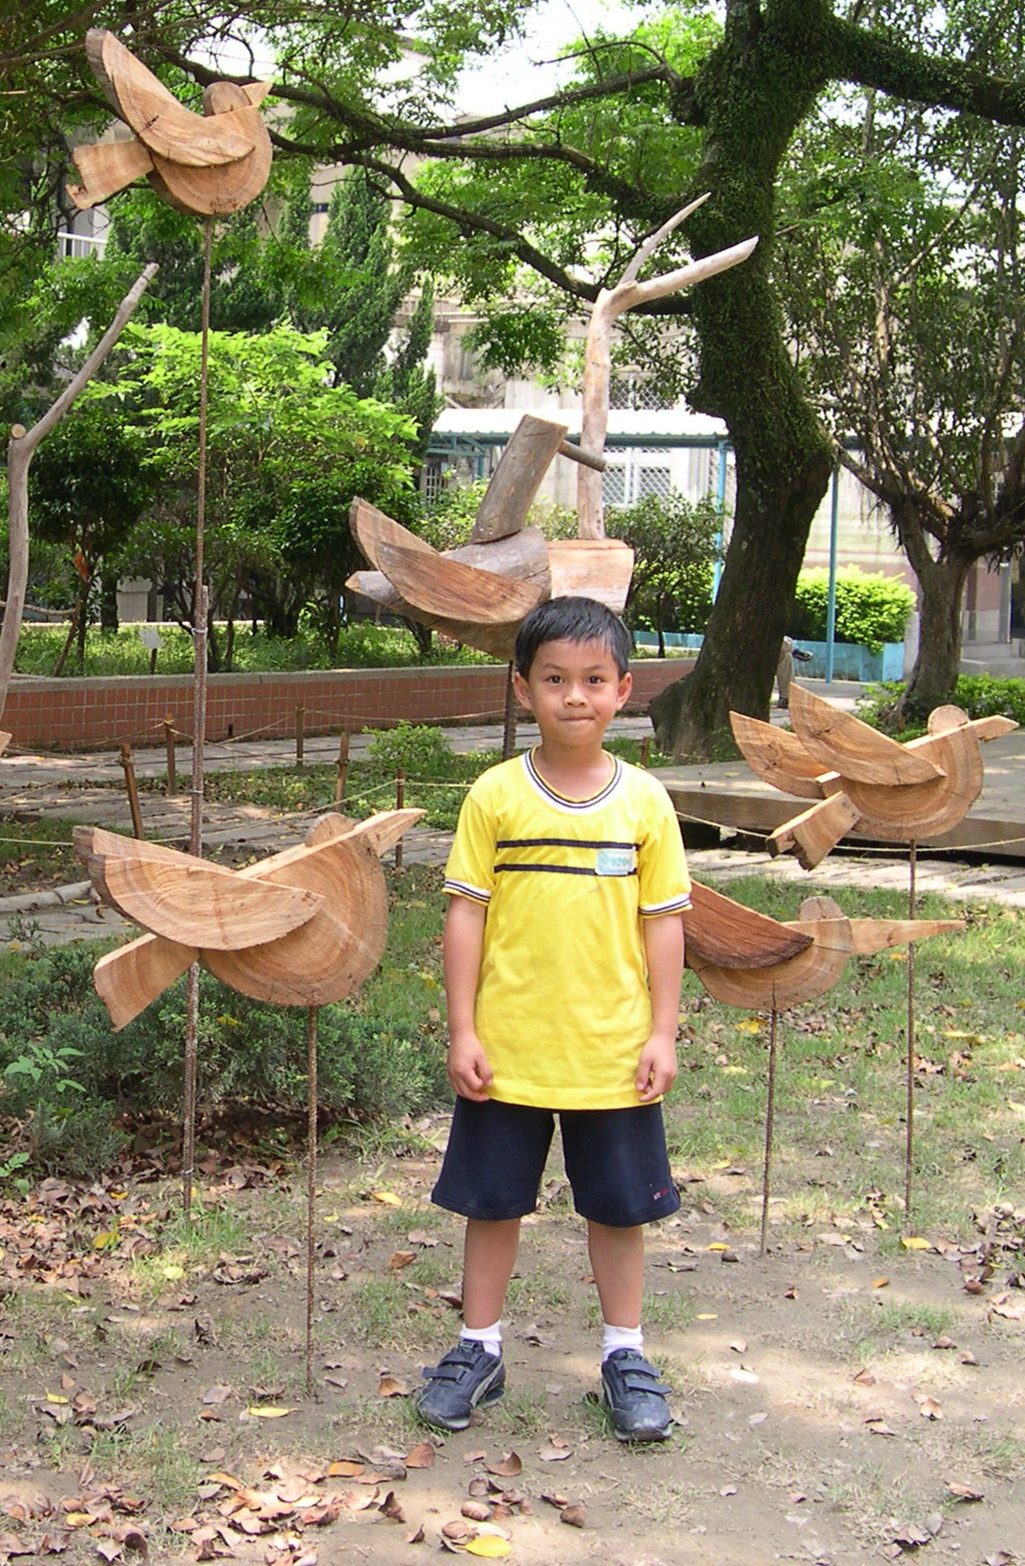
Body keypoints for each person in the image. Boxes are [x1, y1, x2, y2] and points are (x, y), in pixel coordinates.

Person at [414, 595, 690, 1441]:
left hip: (612, 1055)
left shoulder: (645, 803)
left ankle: (625, 1355)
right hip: (509, 1051)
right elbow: (466, 914)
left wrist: (662, 1032)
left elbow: (665, 922)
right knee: (492, 1203)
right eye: (556, 679)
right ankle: (478, 1347)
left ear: (624, 690)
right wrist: (463, 1029)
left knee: (619, 1208)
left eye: (594, 680)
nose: (576, 696)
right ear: (521, 689)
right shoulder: (495, 797)